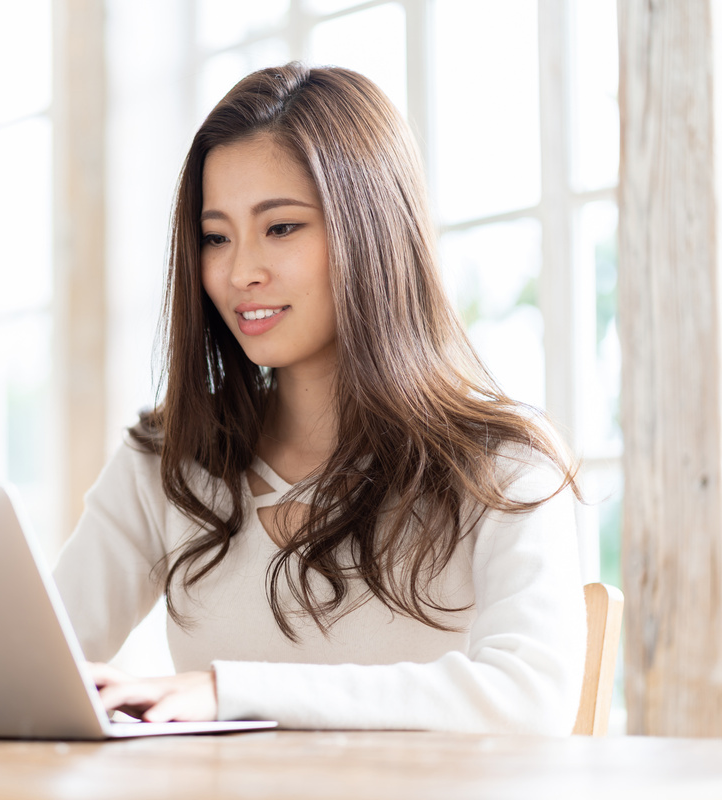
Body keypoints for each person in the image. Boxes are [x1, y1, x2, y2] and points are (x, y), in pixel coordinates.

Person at [53, 63, 586, 734]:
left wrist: (231, 692)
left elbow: (531, 699)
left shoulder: (503, 466)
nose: (239, 271)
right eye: (215, 237)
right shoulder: (167, 460)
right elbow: (33, 662)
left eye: (280, 228)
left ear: (372, 233)